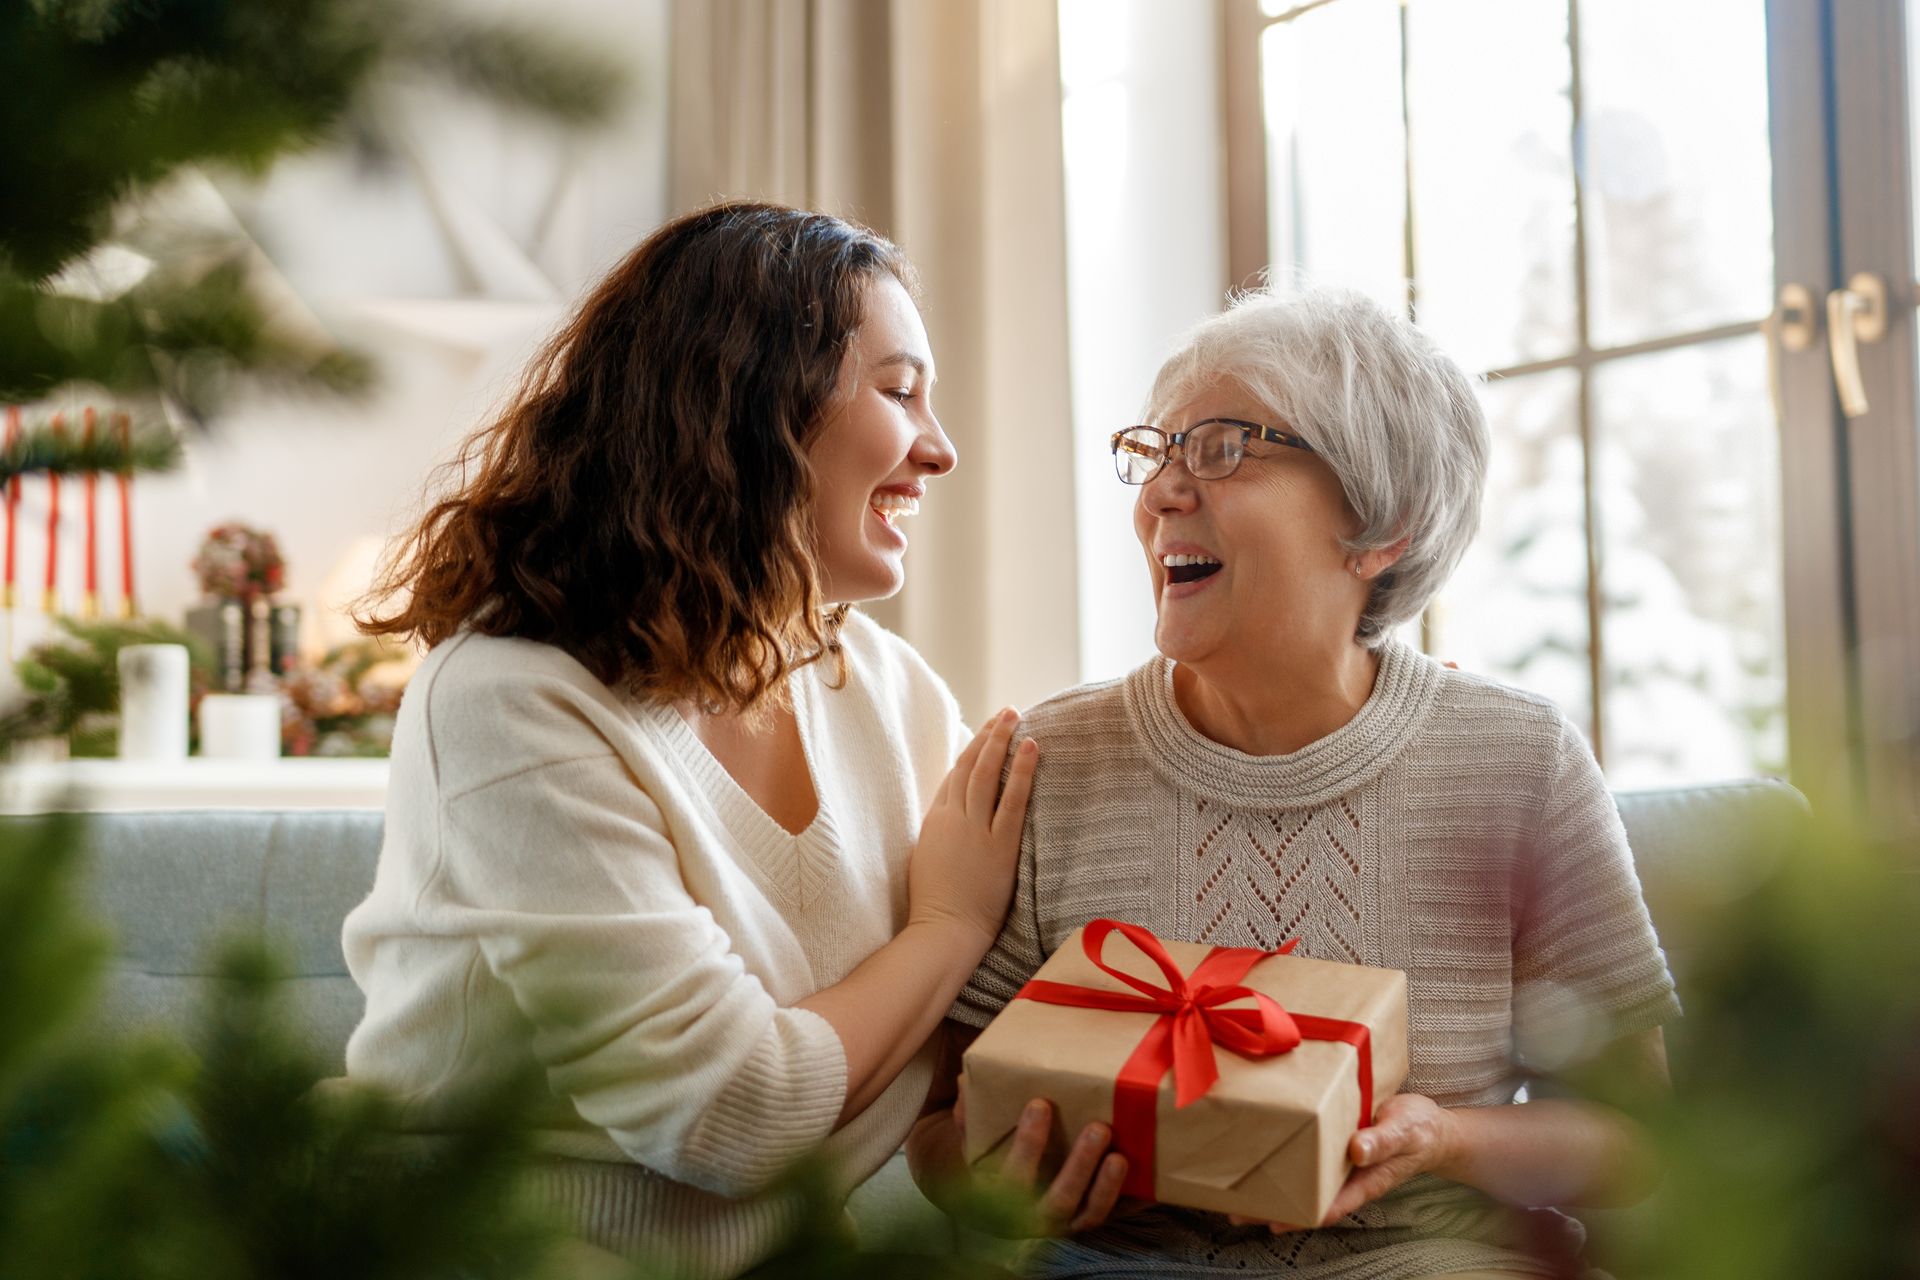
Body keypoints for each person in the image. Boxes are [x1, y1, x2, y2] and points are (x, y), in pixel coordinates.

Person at [907, 285, 1680, 1279]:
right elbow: (934, 1135)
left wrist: (1443, 1139)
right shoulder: (1050, 761)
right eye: (1158, 453)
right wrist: (1001, 1178)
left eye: (1222, 449)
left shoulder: (1516, 760)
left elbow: (1636, 1141)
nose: (1162, 494)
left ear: (1381, 525)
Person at [339, 201, 1039, 1279]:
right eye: (899, 392)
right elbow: (732, 1114)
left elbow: (965, 1045)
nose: (939, 449)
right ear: (754, 406)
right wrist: (947, 926)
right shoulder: (508, 697)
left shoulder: (893, 696)